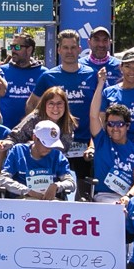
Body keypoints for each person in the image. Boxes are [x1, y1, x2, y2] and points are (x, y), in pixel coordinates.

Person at [33, 30, 97, 196]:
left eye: (73, 47)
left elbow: (100, 109)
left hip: (84, 143)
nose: (69, 51)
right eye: (65, 47)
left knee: (84, 193)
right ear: (59, 50)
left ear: (79, 49)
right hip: (54, 142)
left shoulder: (92, 75)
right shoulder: (48, 76)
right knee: (55, 189)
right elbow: (31, 106)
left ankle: (81, 221)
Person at [0, 120, 75, 200]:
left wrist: (57, 186)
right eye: (46, 144)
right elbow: (2, 179)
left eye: (52, 144)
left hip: (51, 203)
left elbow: (71, 183)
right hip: (22, 202)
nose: (49, 148)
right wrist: (26, 191)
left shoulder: (57, 155)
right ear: (35, 138)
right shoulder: (18, 151)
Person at [97, 51, 134, 151]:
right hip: (113, 146)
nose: (131, 71)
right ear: (121, 68)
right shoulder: (108, 92)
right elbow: (101, 123)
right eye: (128, 66)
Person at [87, 99, 134, 203]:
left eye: (120, 124)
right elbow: (93, 116)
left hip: (129, 198)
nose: (115, 128)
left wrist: (128, 197)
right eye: (110, 124)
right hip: (103, 197)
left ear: (128, 126)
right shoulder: (101, 142)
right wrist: (100, 84)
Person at [0, 33, 46, 126]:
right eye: (12, 47)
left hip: (31, 131)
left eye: (17, 47)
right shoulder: (2, 71)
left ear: (29, 49)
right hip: (4, 131)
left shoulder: (44, 73)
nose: (13, 50)